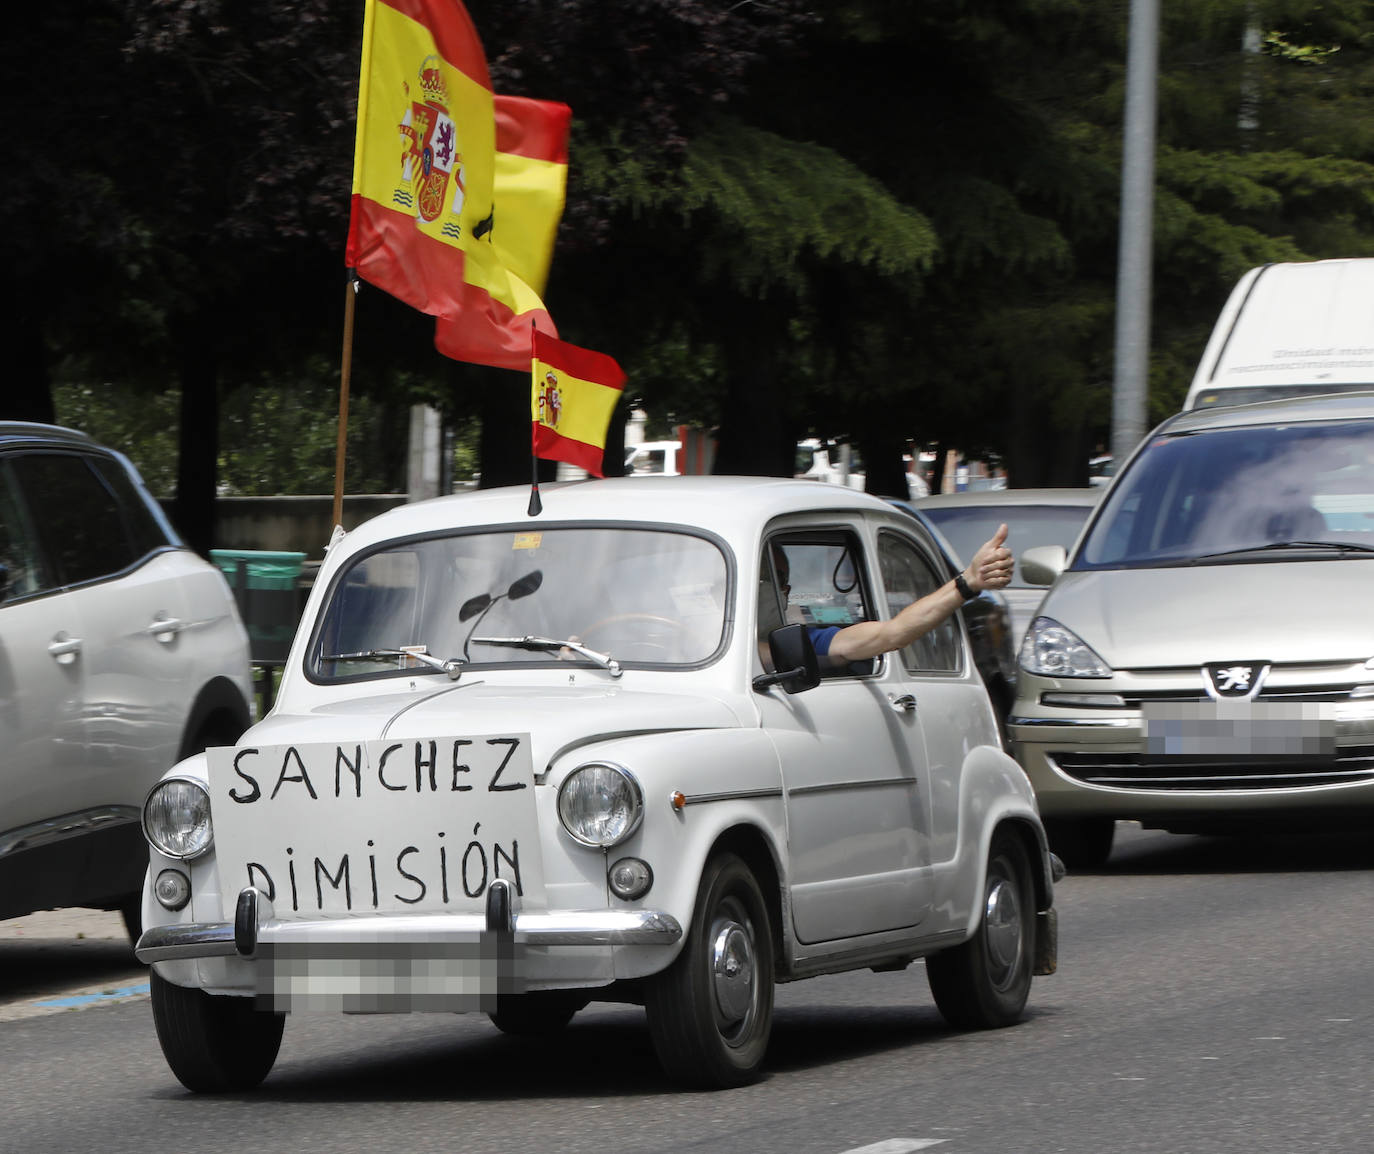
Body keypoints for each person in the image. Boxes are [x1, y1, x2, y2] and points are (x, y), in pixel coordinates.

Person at [767, 524, 1013, 666]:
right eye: (767, 578)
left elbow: (892, 633)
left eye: (781, 580)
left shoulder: (803, 640)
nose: (776, 589)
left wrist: (967, 582)